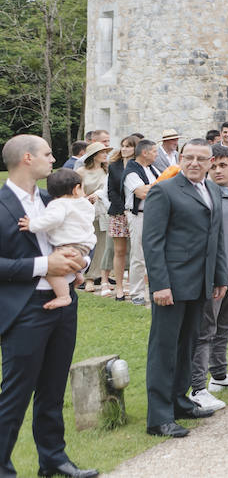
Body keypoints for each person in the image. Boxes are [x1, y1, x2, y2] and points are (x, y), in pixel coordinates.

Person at [0, 135, 96, 478]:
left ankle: (53, 459)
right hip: (24, 310)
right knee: (14, 395)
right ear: (27, 158)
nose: (53, 159)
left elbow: (78, 238)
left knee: (53, 389)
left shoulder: (51, 199)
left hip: (64, 304)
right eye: (47, 153)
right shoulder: (0, 204)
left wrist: (80, 262)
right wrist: (45, 266)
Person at [141, 139, 227, 437]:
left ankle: (179, 400)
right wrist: (161, 285)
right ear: (180, 158)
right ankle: (159, 417)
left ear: (211, 161)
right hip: (172, 285)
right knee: (164, 349)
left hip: (200, 284)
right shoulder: (164, 191)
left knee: (188, 346)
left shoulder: (213, 189)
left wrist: (219, 277)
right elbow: (152, 242)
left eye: (200, 159)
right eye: (188, 157)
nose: (194, 163)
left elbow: (216, 237)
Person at [189, 145, 228, 412]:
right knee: (205, 331)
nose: (217, 170)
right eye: (213, 166)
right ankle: (197, 387)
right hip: (216, 277)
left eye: (222, 165)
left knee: (226, 327)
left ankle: (219, 375)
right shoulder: (208, 196)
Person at [16, 169, 96, 310]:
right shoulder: (85, 204)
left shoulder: (59, 204)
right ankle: (77, 275)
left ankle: (63, 296)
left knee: (49, 269)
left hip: (69, 245)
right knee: (66, 263)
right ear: (77, 189)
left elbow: (53, 219)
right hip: (84, 245)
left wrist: (32, 224)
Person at [123, 138, 160, 306]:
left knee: (156, 253)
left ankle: (156, 290)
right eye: (154, 151)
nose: (156, 154)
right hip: (139, 215)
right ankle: (136, 293)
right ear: (144, 153)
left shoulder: (153, 169)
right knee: (138, 255)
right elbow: (141, 192)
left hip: (155, 215)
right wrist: (161, 185)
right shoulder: (131, 171)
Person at [105, 134, 139, 301]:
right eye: (123, 145)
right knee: (119, 251)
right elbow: (111, 190)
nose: (125, 149)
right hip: (119, 212)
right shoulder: (114, 166)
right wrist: (122, 208)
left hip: (136, 211)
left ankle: (134, 287)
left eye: (129, 146)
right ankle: (119, 287)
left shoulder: (139, 166)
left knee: (136, 252)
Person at [76, 144, 113, 295]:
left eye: (106, 152)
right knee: (90, 243)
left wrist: (99, 195)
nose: (105, 155)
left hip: (104, 210)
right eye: (102, 152)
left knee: (104, 244)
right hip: (87, 210)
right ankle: (87, 277)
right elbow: (77, 189)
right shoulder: (81, 171)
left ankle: (99, 276)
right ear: (94, 155)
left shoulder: (107, 170)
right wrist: (86, 197)